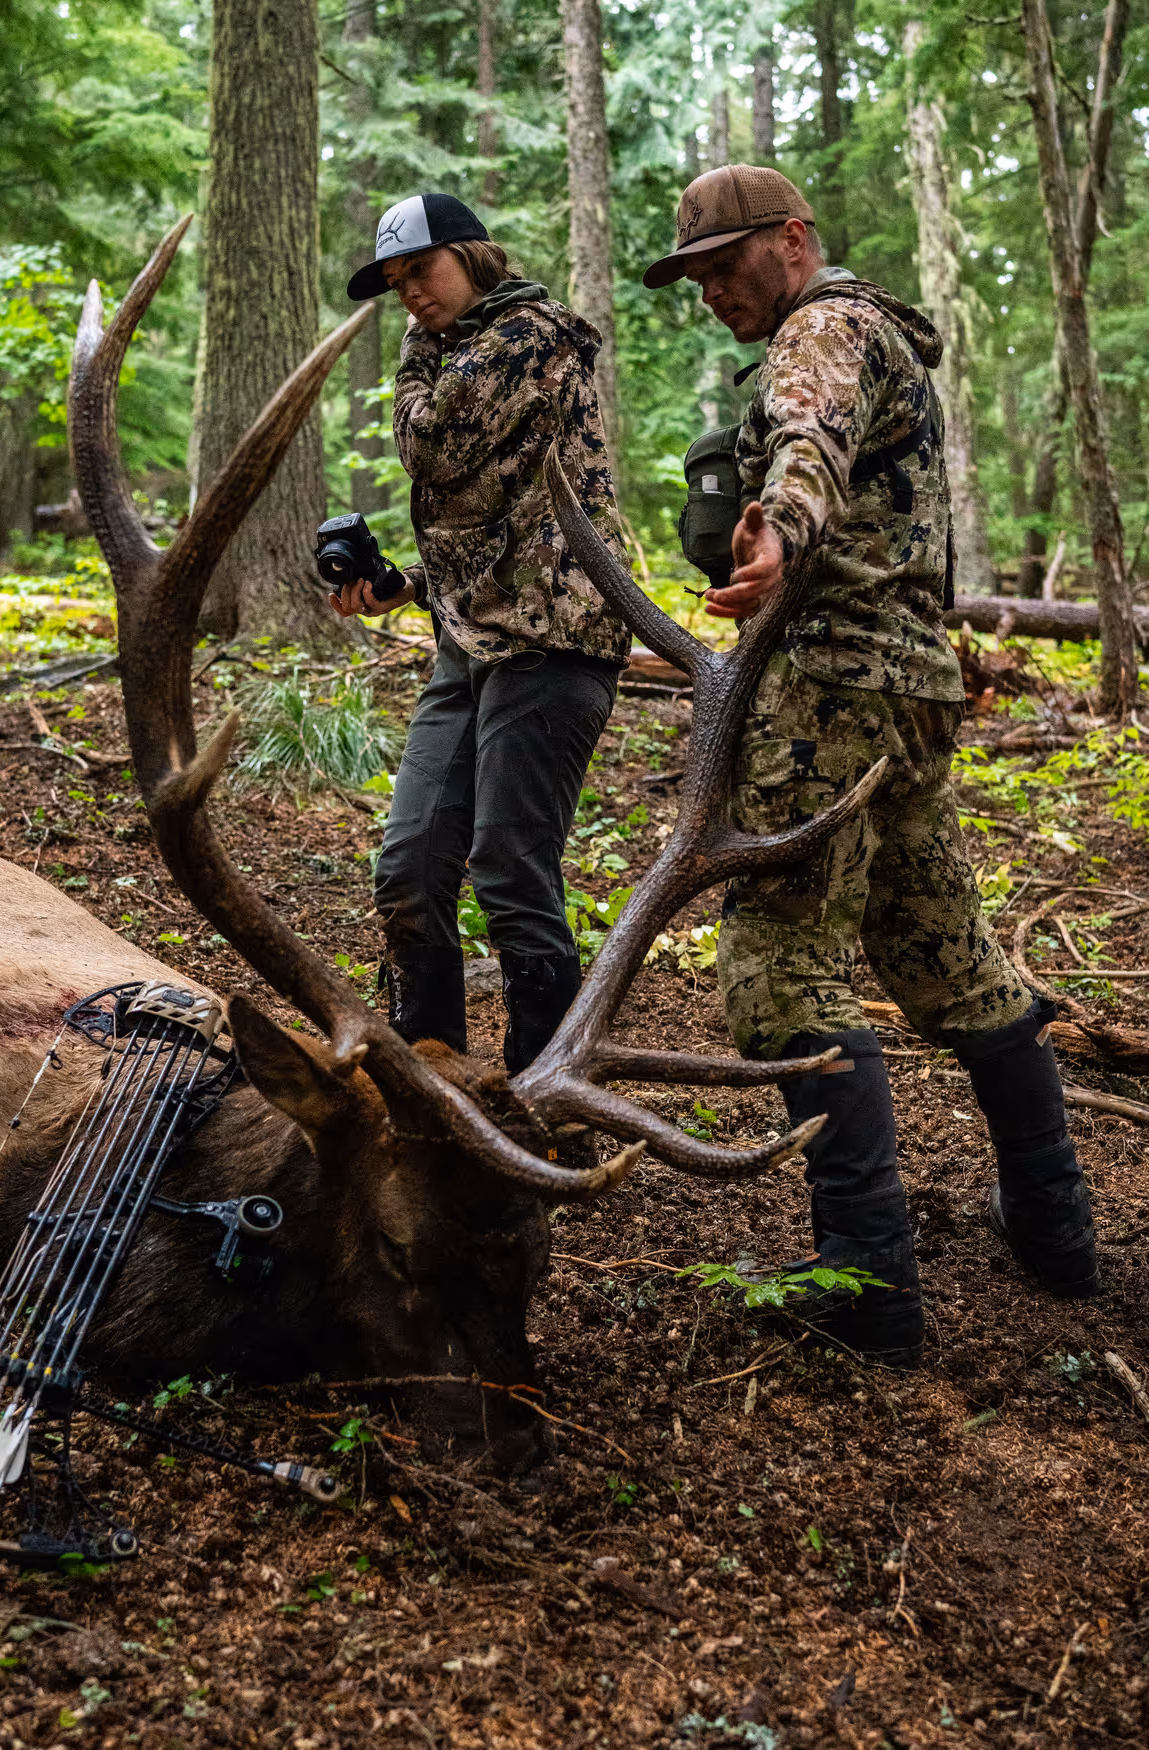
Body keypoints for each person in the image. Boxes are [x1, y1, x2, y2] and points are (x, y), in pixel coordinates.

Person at [642, 165, 1100, 1368]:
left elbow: (806, 438)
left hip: (828, 694)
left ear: (792, 240)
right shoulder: (879, 329)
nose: (709, 293)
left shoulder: (823, 328)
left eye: (726, 265)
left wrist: (778, 534)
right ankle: (1056, 1234)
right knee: (945, 955)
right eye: (692, 278)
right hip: (908, 689)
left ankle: (866, 1286)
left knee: (778, 974)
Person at [334, 191, 630, 1072]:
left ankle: (547, 1084)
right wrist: (404, 584)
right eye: (395, 285)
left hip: (555, 642)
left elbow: (429, 448)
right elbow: (495, 515)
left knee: (508, 868)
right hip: (472, 643)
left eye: (420, 271)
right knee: (413, 863)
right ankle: (431, 1073)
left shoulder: (528, 336)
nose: (410, 296)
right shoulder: (458, 349)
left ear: (472, 254)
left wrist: (416, 353)